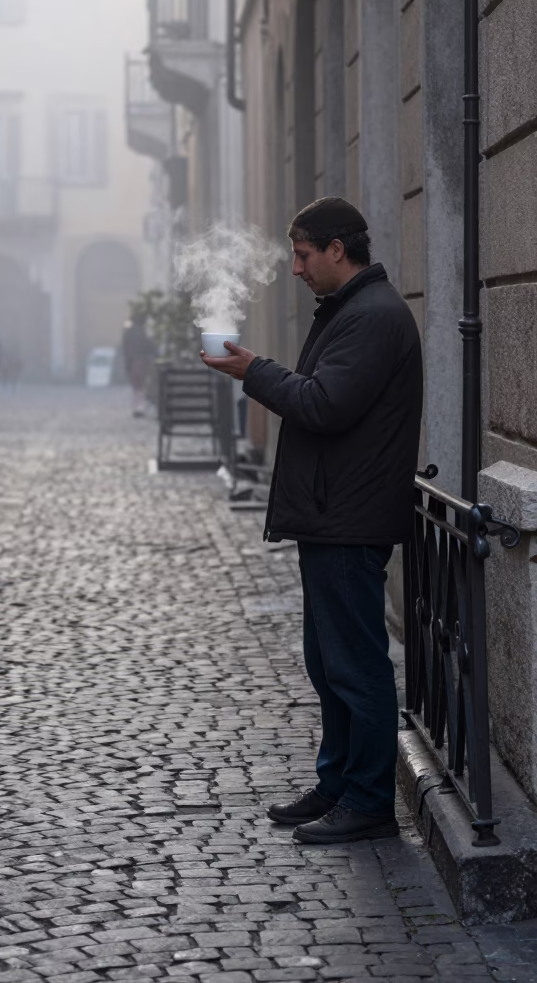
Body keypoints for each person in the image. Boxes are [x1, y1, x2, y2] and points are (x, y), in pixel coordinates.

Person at [201, 197, 423, 845]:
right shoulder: (353, 311)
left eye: (303, 255)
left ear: (336, 250)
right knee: (328, 661)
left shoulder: (373, 317)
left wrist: (253, 370)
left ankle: (368, 799)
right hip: (335, 514)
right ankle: (338, 783)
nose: (296, 268)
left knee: (355, 664)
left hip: (350, 518)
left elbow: (326, 404)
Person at [121, 312, 155, 417]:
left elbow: (125, 347)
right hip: (140, 359)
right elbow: (147, 345)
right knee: (141, 385)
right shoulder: (141, 331)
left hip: (131, 360)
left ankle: (136, 407)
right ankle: (139, 408)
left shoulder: (128, 331)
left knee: (136, 387)